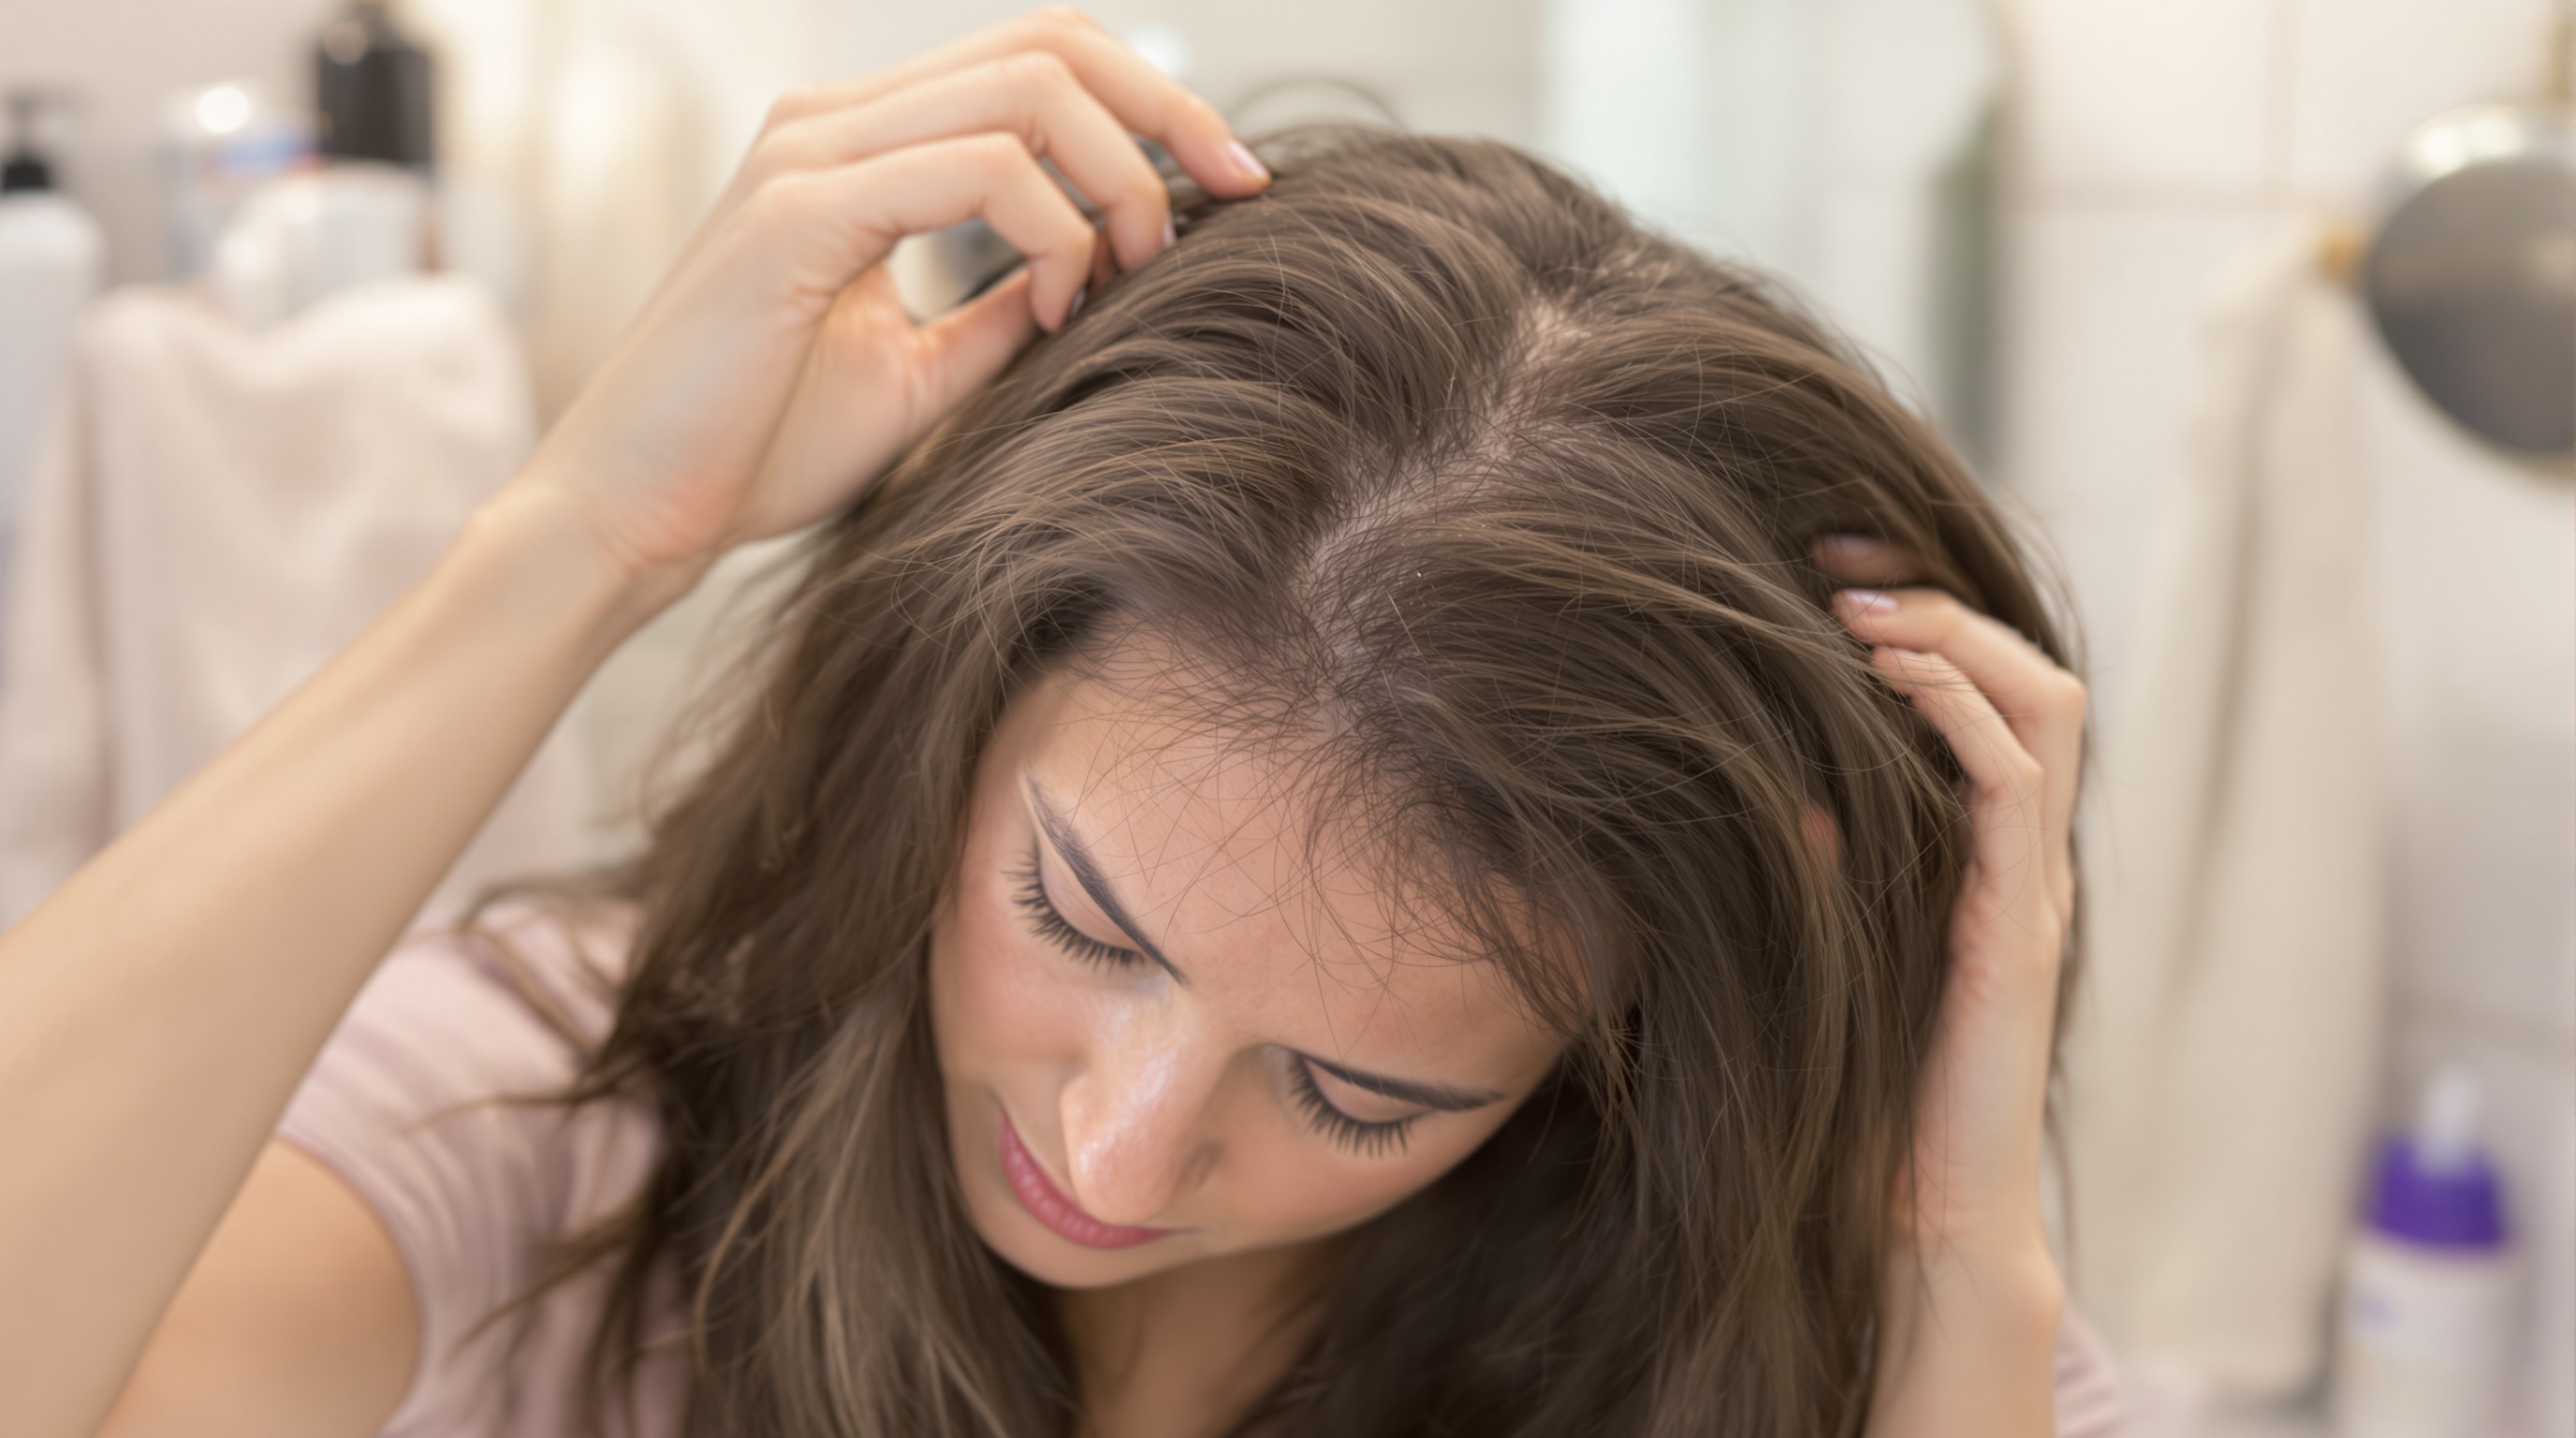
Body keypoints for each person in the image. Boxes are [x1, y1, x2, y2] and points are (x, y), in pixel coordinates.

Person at [0, 10, 2113, 1437]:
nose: (1110, 1153)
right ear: (953, 712)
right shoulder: (540, 1124)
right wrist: (579, 543)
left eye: (1358, 1090)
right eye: (1082, 923)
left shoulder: (1857, 1327)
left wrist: (1947, 1276)